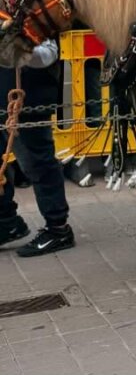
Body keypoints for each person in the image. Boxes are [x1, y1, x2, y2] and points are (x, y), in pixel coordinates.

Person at [0, 37, 74, 257]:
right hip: (3, 99)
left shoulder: (33, 8)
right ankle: (7, 223)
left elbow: (48, 54)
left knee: (37, 162)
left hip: (27, 100)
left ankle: (58, 228)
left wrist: (15, 50)